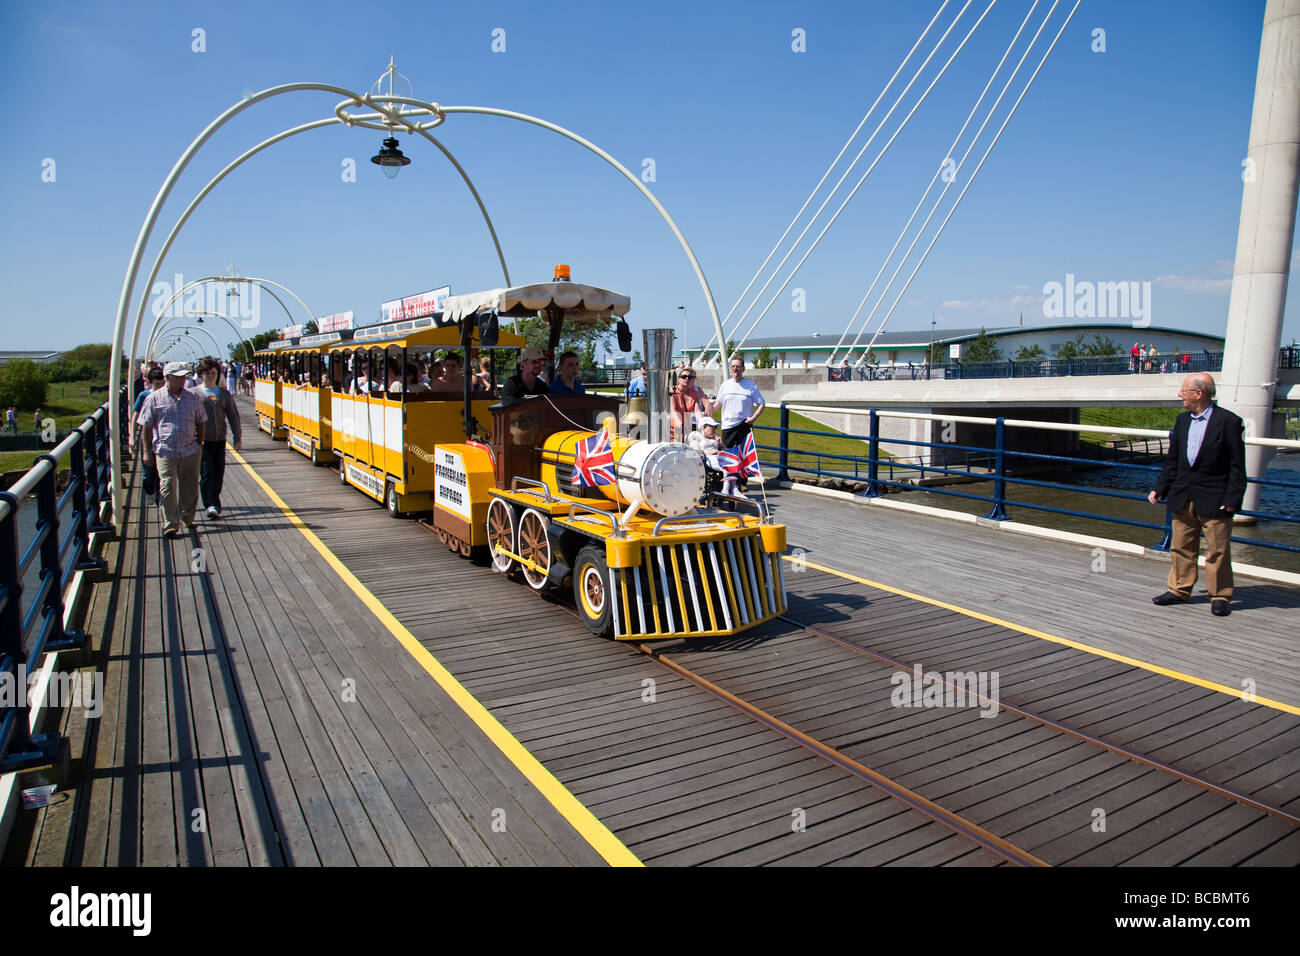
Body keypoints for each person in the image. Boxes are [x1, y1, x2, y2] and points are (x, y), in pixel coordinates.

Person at [1148, 372, 1246, 617]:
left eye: (1184, 391)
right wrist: (1160, 488)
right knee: (1181, 546)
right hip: (1183, 494)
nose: (1180, 396)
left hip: (1215, 497)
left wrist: (1233, 499)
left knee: (1218, 550)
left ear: (1198, 393)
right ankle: (1179, 590)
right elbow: (1174, 460)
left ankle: (1220, 595)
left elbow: (1237, 465)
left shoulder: (1229, 422)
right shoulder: (1182, 421)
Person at [138, 362, 206, 536]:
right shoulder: (153, 398)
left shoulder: (193, 397)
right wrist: (146, 451)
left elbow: (201, 420)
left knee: (190, 485)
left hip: (190, 449)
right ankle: (170, 523)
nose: (183, 380)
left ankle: (187, 516)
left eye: (184, 376)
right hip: (165, 449)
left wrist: (200, 443)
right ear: (167, 377)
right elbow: (146, 426)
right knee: (167, 485)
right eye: (178, 377)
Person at [193, 358, 242, 519]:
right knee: (207, 472)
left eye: (213, 373)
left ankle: (214, 498)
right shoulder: (194, 394)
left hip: (220, 439)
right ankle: (211, 504)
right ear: (201, 375)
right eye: (207, 373)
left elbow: (233, 416)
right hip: (201, 440)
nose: (210, 376)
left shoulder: (224, 394)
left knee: (219, 471)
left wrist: (237, 437)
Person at [715, 354, 766, 492]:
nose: (735, 369)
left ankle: (742, 483)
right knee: (728, 455)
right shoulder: (725, 385)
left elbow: (761, 403)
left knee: (743, 455)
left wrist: (754, 418)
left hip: (744, 424)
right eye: (733, 366)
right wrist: (706, 412)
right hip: (728, 426)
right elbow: (718, 403)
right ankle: (728, 483)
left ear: (743, 368)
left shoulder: (750, 386)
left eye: (738, 366)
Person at [132, 367, 166, 503]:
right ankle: (149, 491)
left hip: (162, 439)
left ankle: (160, 500)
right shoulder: (144, 396)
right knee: (147, 472)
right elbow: (135, 416)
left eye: (162, 384)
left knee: (160, 472)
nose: (160, 387)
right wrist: (131, 436)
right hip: (148, 438)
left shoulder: (167, 395)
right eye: (157, 384)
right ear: (150, 383)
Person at [670, 366, 714, 441]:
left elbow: (697, 411)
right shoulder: (673, 390)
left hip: (688, 427)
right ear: (679, 379)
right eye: (684, 376)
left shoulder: (694, 392)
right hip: (675, 427)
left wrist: (702, 423)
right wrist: (679, 423)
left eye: (690, 377)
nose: (687, 379)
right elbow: (673, 410)